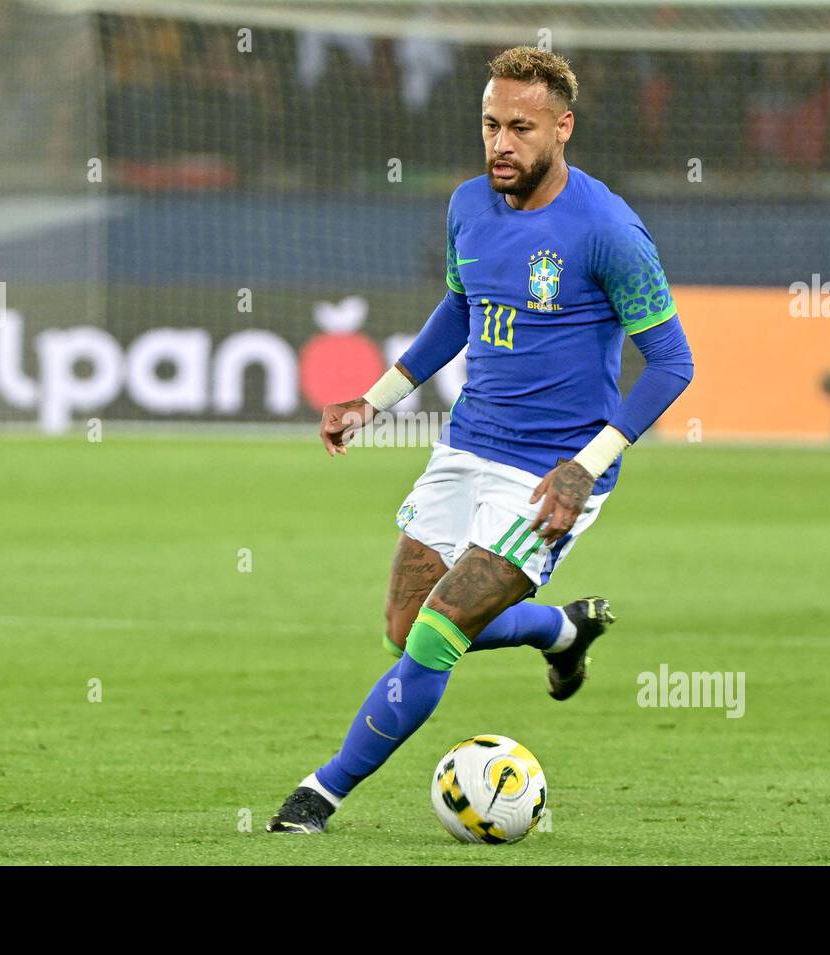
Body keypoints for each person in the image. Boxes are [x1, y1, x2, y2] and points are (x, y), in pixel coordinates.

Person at [268, 46, 695, 834]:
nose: (502, 143)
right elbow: (461, 309)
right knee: (403, 626)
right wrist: (375, 399)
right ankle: (563, 631)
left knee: (432, 636)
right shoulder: (468, 204)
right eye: (492, 125)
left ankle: (317, 795)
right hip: (466, 447)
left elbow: (673, 362)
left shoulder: (608, 231)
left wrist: (586, 467)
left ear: (562, 128)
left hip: (551, 473)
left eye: (521, 128)